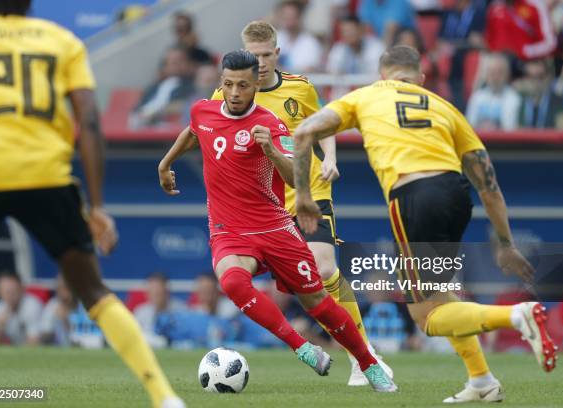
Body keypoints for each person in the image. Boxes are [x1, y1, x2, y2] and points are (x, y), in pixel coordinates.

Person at [293, 45, 558, 403]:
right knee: (441, 293)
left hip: (414, 196)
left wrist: (305, 195)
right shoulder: (445, 107)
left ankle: (517, 315)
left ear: (382, 74)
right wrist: (506, 244)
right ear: (419, 78)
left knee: (427, 316)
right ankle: (482, 380)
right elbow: (488, 184)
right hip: (456, 195)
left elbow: (303, 132)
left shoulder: (366, 96)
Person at [0, 2, 184, 407]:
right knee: (92, 290)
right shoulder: (62, 41)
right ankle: (164, 397)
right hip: (46, 177)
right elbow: (88, 119)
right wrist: (98, 206)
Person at [158, 50, 395, 392]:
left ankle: (369, 364)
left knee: (319, 303)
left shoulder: (271, 124)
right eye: (228, 84)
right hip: (230, 230)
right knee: (233, 283)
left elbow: (296, 178)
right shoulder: (203, 110)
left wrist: (271, 151)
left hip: (275, 228)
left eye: (242, 85)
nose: (235, 92)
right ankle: (302, 347)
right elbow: (193, 132)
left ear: (256, 84)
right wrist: (165, 165)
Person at [130, 46, 195, 129]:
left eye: (178, 61)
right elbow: (139, 106)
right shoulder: (155, 86)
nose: (175, 65)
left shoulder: (190, 87)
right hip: (142, 125)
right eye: (171, 62)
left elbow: (185, 105)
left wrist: (154, 113)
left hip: (167, 128)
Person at [466, 53, 521, 130]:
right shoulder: (477, 97)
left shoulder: (513, 98)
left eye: (499, 72)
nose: (495, 77)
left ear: (507, 74)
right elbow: (470, 126)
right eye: (492, 72)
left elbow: (510, 129)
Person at [0, 271, 42, 345]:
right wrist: (0, 327)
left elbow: (34, 342)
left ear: (22, 289)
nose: (9, 295)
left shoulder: (32, 305)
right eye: (6, 291)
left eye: (12, 290)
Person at [515, 59, 563, 128]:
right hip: (524, 138)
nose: (535, 82)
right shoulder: (518, 99)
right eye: (530, 76)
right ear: (524, 78)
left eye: (540, 76)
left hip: (549, 138)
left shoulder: (557, 100)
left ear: (549, 77)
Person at [274, 0, 323, 73]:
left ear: (299, 18)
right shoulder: (274, 38)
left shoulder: (311, 43)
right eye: (285, 16)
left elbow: (310, 70)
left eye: (291, 17)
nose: (288, 20)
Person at [40, 273, 79, 346]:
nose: (63, 291)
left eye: (66, 287)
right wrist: (58, 321)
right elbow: (44, 337)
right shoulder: (52, 306)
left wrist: (66, 320)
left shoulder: (84, 306)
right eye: (60, 287)